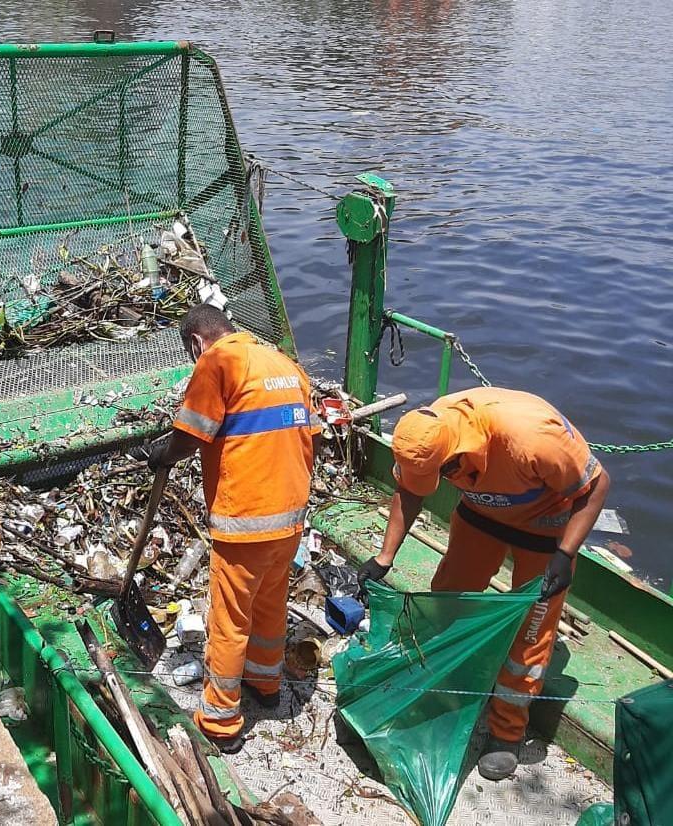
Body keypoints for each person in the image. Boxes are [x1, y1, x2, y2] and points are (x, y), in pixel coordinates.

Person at [357, 387, 610, 780]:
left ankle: (507, 731)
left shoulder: (532, 439)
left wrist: (565, 554)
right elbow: (408, 492)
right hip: (481, 513)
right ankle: (440, 692)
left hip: (546, 530)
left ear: (457, 454)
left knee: (530, 633)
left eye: (442, 474)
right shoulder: (425, 431)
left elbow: (596, 487)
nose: (437, 481)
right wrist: (385, 556)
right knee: (446, 602)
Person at [148, 304, 322, 753]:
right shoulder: (283, 363)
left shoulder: (216, 361)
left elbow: (190, 436)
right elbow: (312, 436)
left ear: (195, 343)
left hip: (245, 522)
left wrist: (161, 456)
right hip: (289, 520)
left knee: (228, 622)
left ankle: (221, 721)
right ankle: (265, 684)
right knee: (269, 605)